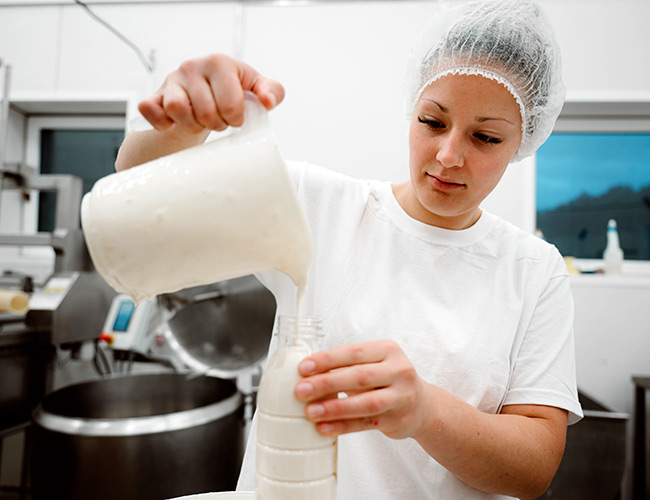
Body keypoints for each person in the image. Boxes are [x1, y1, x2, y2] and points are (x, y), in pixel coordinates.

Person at [115, 1, 583, 498]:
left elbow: (535, 468)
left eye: (485, 137)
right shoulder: (317, 206)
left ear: (523, 142)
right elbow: (138, 195)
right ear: (412, 109)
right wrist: (182, 126)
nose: (449, 155)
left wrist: (426, 411)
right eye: (432, 121)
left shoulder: (533, 270)